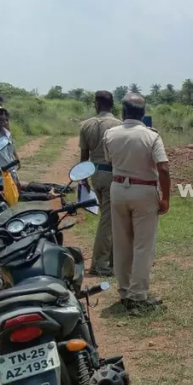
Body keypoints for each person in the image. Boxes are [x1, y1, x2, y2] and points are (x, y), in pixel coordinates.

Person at [103, 92, 170, 314]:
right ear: (143, 113)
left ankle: (124, 292)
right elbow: (163, 168)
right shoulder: (151, 136)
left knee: (121, 243)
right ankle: (138, 295)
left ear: (123, 112)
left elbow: (110, 161)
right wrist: (166, 197)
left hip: (118, 188)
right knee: (143, 245)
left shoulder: (110, 134)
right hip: (144, 191)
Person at [79, 90, 122, 277]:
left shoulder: (86, 125)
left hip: (94, 174)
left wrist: (83, 179)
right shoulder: (118, 125)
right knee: (108, 220)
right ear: (112, 105)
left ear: (96, 104)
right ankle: (99, 265)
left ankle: (112, 260)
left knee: (111, 218)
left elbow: (84, 155)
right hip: (111, 174)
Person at [0, 106, 20, 190]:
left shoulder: (5, 132)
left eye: (2, 114)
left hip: (10, 174)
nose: (1, 117)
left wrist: (17, 158)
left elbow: (11, 145)